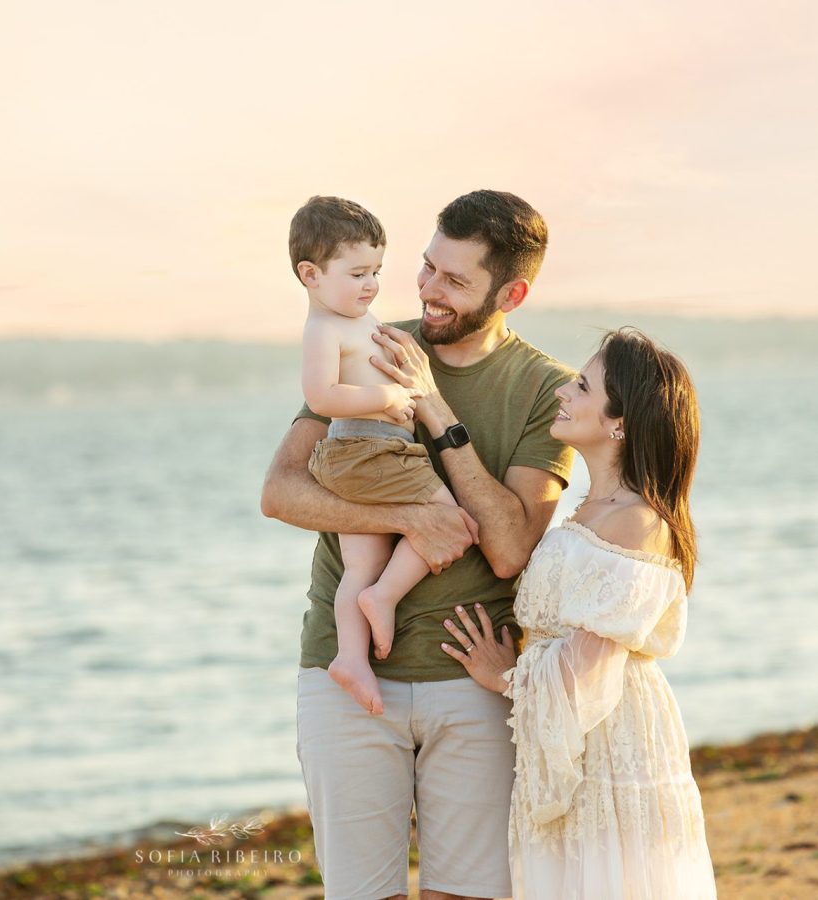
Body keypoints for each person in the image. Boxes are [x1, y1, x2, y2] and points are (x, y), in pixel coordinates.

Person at [262, 189, 575, 900]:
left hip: (473, 681)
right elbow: (279, 491)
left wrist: (433, 405)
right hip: (343, 678)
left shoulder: (545, 389)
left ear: (513, 292)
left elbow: (508, 549)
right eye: (428, 267)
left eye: (456, 280)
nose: (429, 291)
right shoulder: (367, 338)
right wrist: (406, 518)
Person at [441, 327, 717, 898]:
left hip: (612, 745)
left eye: (584, 385)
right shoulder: (590, 508)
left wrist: (504, 675)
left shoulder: (637, 522)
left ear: (620, 422)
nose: (565, 390)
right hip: (579, 739)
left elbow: (589, 667)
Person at [291, 196, 463, 717]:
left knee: (358, 568)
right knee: (453, 522)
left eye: (377, 271)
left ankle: (351, 657)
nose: (371, 284)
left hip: (366, 453)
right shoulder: (325, 329)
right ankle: (385, 597)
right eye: (358, 273)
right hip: (365, 449)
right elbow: (321, 397)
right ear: (311, 275)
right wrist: (388, 399)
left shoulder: (358, 319)